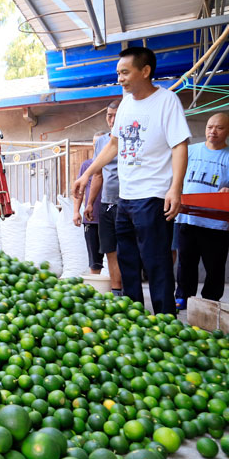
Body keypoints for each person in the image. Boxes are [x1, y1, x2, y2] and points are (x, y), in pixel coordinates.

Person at [73, 46, 190, 314]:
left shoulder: (166, 101)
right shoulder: (125, 104)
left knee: (156, 262)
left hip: (152, 195)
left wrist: (176, 188)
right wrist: (88, 174)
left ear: (145, 71)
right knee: (126, 260)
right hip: (124, 197)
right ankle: (135, 315)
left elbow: (179, 146)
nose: (120, 78)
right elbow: (114, 144)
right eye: (118, 73)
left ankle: (165, 320)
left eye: (125, 72)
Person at [174, 112, 229, 308]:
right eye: (209, 127)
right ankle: (183, 296)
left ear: (227, 131)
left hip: (216, 223)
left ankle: (210, 301)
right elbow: (175, 176)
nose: (213, 131)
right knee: (186, 262)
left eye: (219, 127)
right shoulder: (190, 151)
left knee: (214, 267)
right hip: (187, 218)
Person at [85, 100, 123, 295]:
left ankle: (131, 291)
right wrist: (90, 203)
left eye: (117, 115)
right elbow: (98, 174)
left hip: (129, 202)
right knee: (110, 250)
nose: (112, 119)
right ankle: (117, 292)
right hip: (107, 202)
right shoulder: (101, 142)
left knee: (128, 249)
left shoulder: (132, 137)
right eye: (109, 115)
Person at [73, 132, 105, 274]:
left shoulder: (113, 165)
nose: (96, 147)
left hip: (111, 217)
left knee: (116, 256)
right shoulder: (86, 166)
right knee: (95, 261)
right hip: (92, 219)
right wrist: (76, 211)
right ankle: (97, 290)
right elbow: (79, 191)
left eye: (99, 144)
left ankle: (118, 291)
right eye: (94, 144)